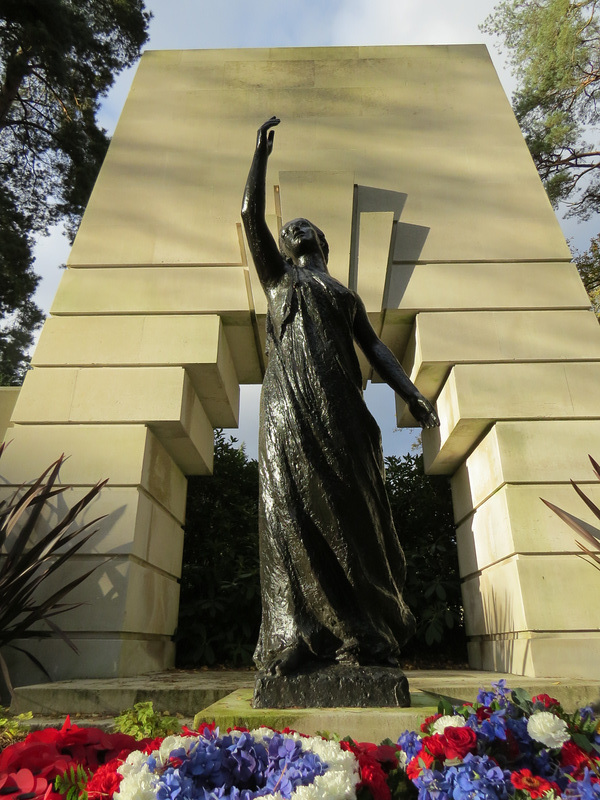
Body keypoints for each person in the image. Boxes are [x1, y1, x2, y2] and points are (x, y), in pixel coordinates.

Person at [241, 117, 439, 677]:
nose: (291, 231)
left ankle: (362, 631)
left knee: (353, 511)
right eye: (288, 230)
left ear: (321, 242)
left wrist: (413, 395)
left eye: (302, 227)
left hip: (344, 410)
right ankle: (301, 632)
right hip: (290, 404)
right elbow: (248, 216)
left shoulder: (343, 295)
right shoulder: (280, 281)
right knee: (292, 508)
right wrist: (259, 157)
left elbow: (376, 350)